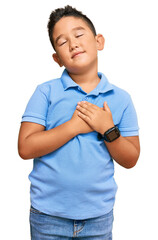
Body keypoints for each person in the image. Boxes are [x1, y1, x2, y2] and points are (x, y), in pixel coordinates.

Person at [18, 5, 140, 240]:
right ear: (57, 59)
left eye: (79, 34)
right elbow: (25, 148)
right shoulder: (45, 92)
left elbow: (131, 158)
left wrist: (108, 130)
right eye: (62, 42)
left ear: (99, 41)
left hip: (98, 217)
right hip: (48, 216)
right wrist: (74, 127)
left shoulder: (121, 98)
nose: (73, 43)